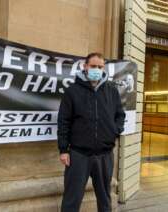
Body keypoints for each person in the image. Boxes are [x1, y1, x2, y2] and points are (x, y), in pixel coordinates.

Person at [57, 52, 126, 212]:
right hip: (78, 155)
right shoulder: (72, 91)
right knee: (71, 200)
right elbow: (63, 121)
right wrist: (63, 150)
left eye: (100, 67)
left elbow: (120, 115)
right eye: (93, 66)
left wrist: (114, 131)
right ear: (85, 67)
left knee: (104, 199)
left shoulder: (111, 91)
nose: (97, 69)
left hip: (104, 155)